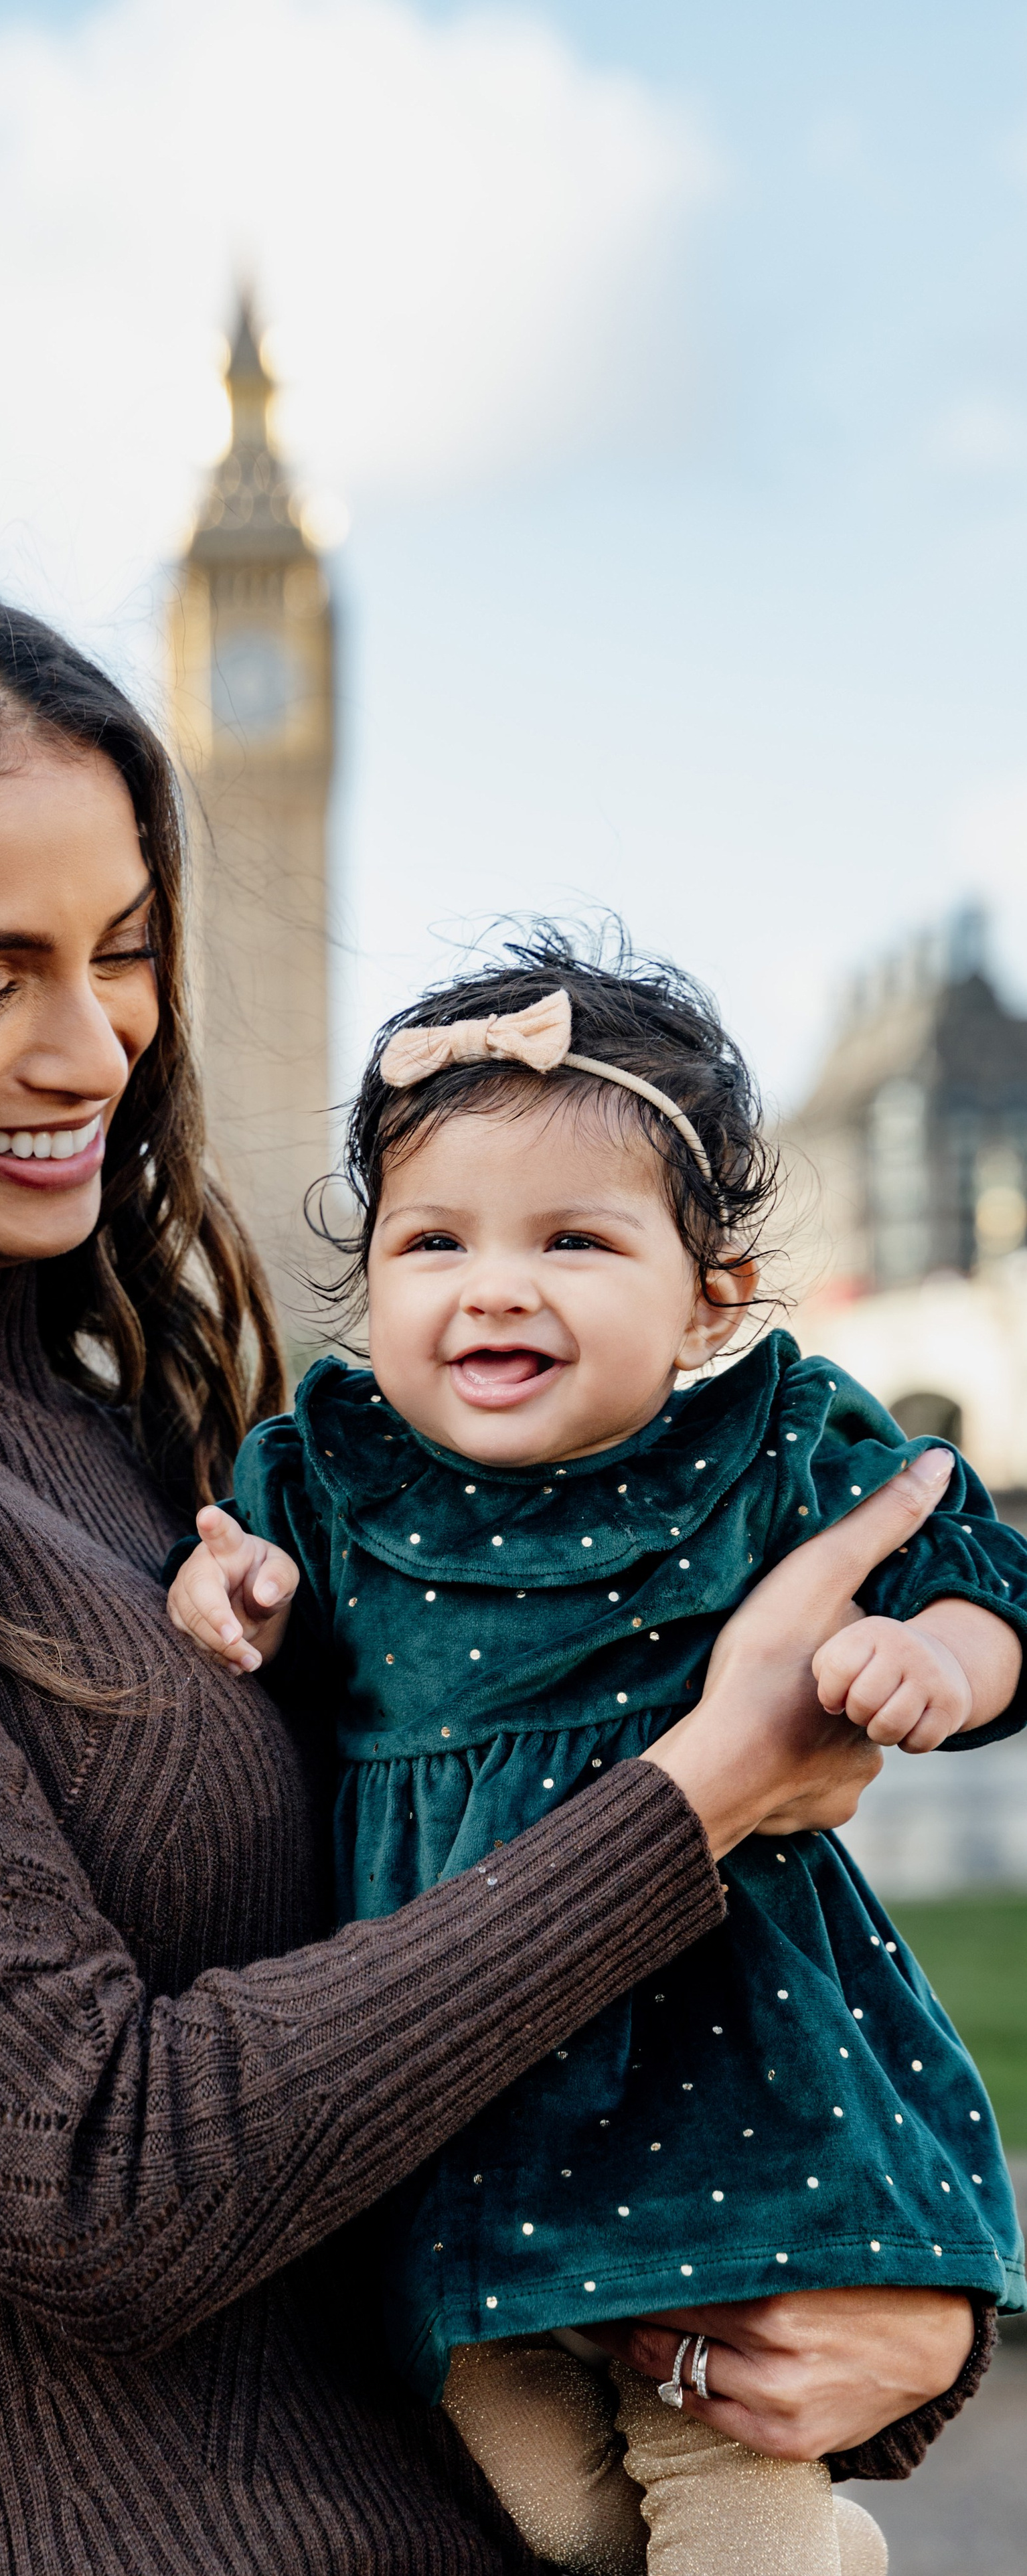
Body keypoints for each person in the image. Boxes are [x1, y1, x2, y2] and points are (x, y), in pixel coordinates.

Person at [0, 558, 988, 2576]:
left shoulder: (124, 1405)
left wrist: (874, 2329)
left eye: (125, 952)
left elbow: (458, 2031)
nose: (93, 1053)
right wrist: (713, 1785)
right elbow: (94, 2185)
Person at [167, 943, 1027, 2575]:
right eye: (434, 1242)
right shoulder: (335, 1471)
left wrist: (927, 1658)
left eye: (571, 1238)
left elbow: (977, 1573)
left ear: (707, 1292)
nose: (492, 1285)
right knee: (560, 2520)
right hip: (447, 2085)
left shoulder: (765, 1447)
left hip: (721, 2083)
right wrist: (228, 1590)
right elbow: (232, 1576)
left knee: (723, 2502)